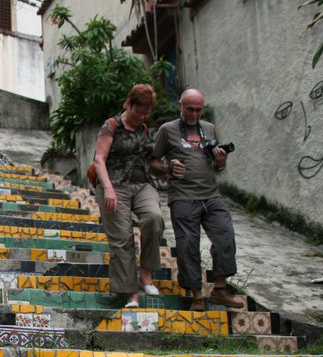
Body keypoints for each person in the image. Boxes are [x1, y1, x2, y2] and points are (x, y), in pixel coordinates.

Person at [150, 87, 244, 311]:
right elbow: (151, 162)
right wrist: (168, 167)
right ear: (180, 106)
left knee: (225, 236)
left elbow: (218, 166)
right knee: (188, 246)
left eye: (198, 110)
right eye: (189, 109)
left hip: (211, 194)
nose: (193, 114)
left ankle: (220, 289)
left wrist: (221, 160)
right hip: (182, 197)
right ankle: (197, 295)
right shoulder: (167, 130)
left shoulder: (209, 129)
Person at [92, 83, 164, 309]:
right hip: (115, 185)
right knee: (123, 240)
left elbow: (150, 160)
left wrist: (167, 168)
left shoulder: (143, 129)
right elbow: (99, 159)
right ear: (128, 104)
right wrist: (108, 189)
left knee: (154, 218)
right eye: (138, 111)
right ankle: (131, 294)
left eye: (146, 113)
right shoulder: (111, 125)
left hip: (141, 184)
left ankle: (145, 275)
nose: (142, 116)